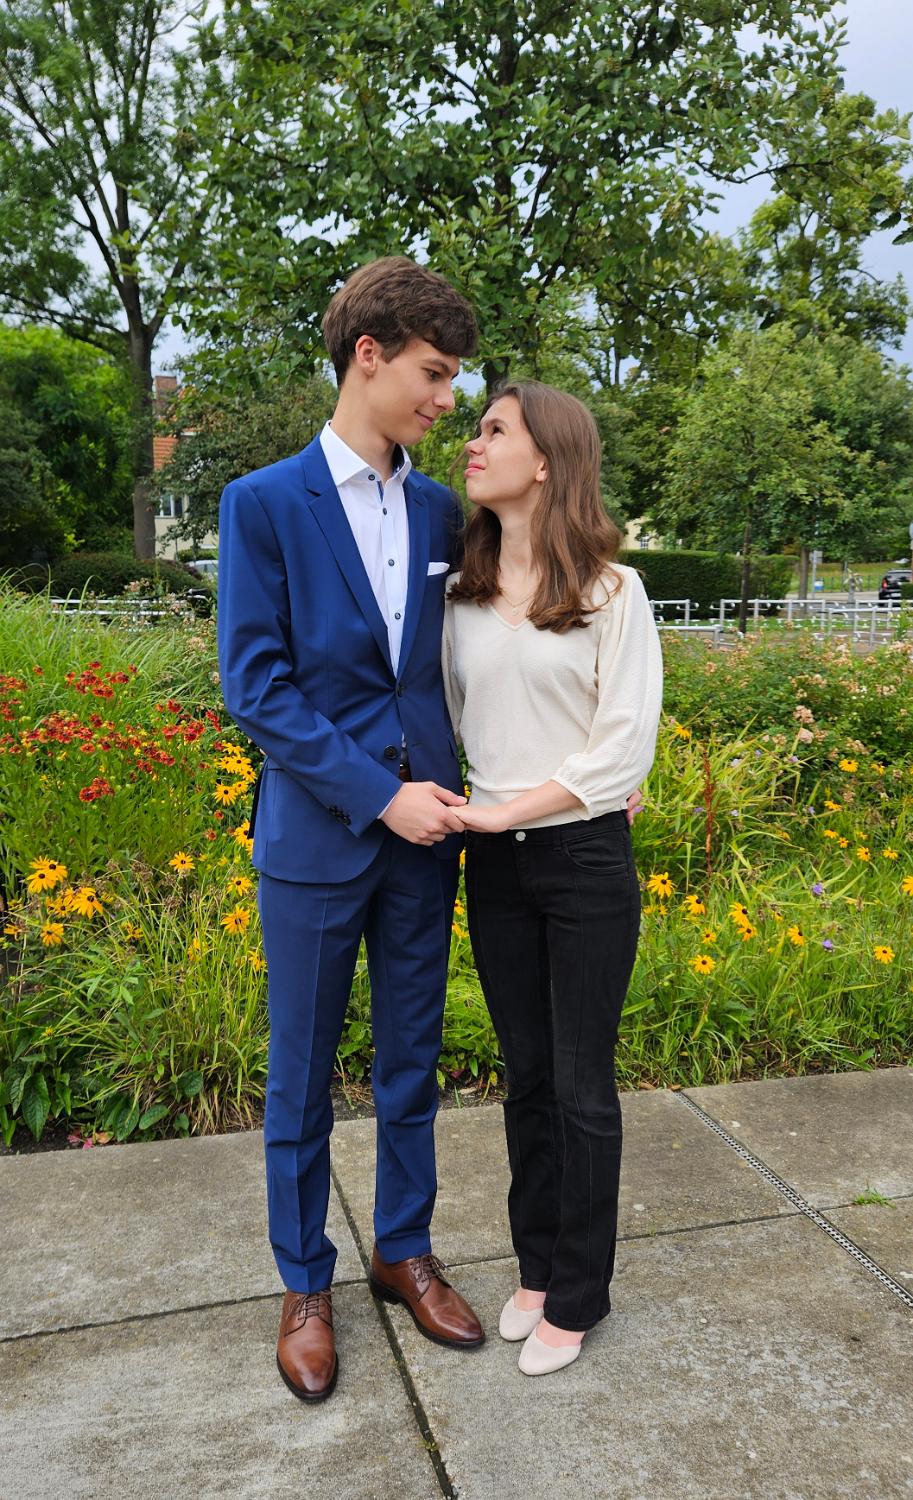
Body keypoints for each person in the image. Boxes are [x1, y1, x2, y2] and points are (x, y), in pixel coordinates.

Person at [217, 256, 487, 1403]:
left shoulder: (442, 511)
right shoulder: (264, 503)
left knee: (412, 1061)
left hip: (430, 838)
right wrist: (379, 794)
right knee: (299, 1074)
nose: (447, 399)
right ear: (367, 357)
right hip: (321, 837)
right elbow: (256, 686)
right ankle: (304, 1282)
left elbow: (471, 662)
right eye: (433, 373)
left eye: (455, 378)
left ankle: (403, 1250)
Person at [442, 381, 662, 1376]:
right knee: (524, 1079)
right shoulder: (460, 596)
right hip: (494, 866)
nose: (472, 442)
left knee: (580, 1085)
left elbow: (621, 750)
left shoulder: (614, 595)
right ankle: (535, 1269)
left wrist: (508, 808)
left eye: (493, 430)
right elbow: (458, 722)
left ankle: (578, 1295)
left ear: (544, 462)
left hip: (581, 862)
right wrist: (486, 815)